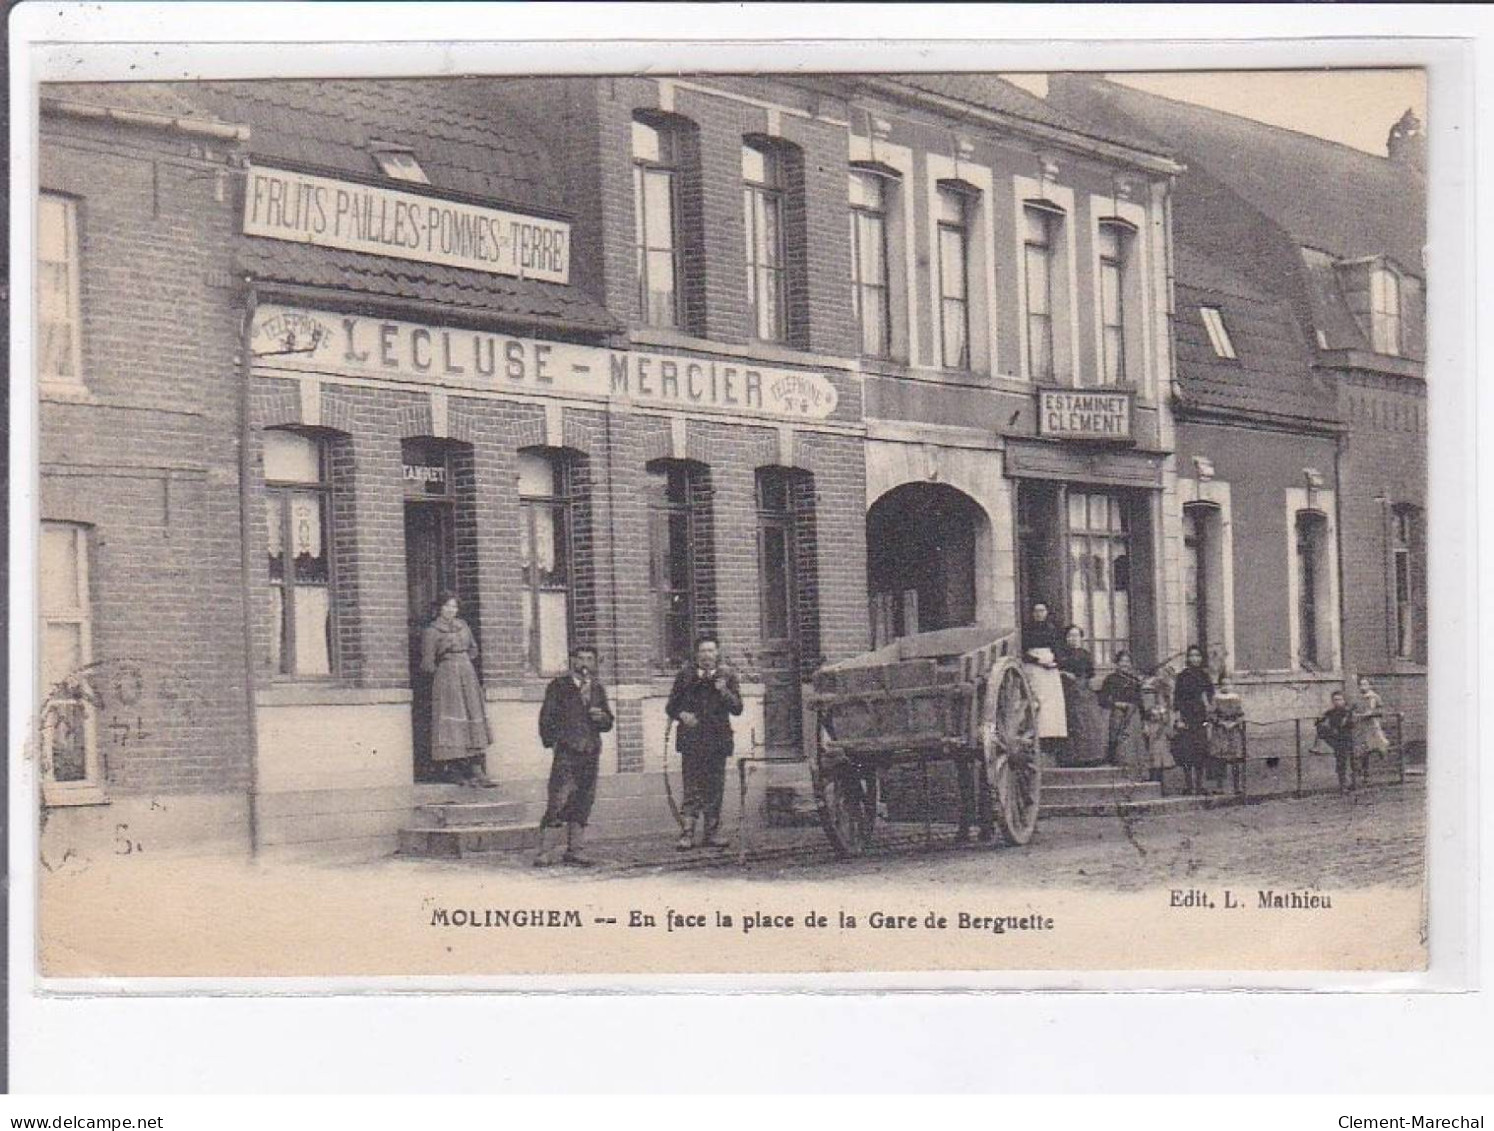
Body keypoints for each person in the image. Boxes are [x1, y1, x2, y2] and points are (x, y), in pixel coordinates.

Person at [534, 645, 614, 867]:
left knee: (583, 800)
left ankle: (575, 849)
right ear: (573, 662)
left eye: (590, 659)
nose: (585, 664)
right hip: (567, 752)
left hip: (590, 751)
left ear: (595, 663)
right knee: (558, 799)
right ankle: (545, 850)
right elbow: (546, 718)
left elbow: (608, 722)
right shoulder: (559, 687)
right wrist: (556, 742)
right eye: (581, 659)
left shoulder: (597, 689)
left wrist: (602, 719)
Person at [665, 635, 743, 850]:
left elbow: (737, 708)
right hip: (692, 740)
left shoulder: (727, 676)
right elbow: (670, 706)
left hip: (717, 740)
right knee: (691, 787)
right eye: (703, 651)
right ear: (696, 655)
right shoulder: (685, 676)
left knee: (715, 787)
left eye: (711, 651)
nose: (707, 656)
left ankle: (712, 833)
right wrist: (682, 715)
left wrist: (723, 691)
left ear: (717, 653)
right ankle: (687, 832)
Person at [420, 593, 494, 788]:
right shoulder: (432, 631)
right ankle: (453, 768)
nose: (451, 611)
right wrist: (445, 668)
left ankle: (476, 768)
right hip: (447, 676)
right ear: (439, 608)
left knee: (471, 713)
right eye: (447, 607)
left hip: (467, 673)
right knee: (453, 717)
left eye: (454, 607)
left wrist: (464, 662)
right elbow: (427, 662)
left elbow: (474, 649)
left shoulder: (464, 626)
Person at [1022, 602, 1068, 756]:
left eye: (1041, 610)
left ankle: (1051, 741)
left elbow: (1060, 650)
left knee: (1052, 705)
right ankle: (1036, 738)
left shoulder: (1053, 629)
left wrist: (1055, 662)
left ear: (1047, 612)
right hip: (1034, 669)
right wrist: (1038, 661)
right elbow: (1023, 652)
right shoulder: (1027, 630)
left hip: (1051, 669)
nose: (1038, 614)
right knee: (1037, 702)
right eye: (1036, 610)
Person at [1056, 624, 1103, 766]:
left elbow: (1091, 673)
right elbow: (1056, 670)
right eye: (1070, 636)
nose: (1073, 639)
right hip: (1066, 690)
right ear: (1066, 638)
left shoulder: (1085, 654)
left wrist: (1086, 683)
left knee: (1088, 722)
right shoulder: (1061, 654)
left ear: (1081, 638)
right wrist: (1063, 673)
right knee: (1072, 722)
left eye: (1076, 636)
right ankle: (1072, 758)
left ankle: (1090, 757)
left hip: (1084, 690)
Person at [1171, 645, 1214, 795]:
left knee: (1200, 751)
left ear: (1201, 658)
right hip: (1186, 717)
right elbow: (1177, 699)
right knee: (1186, 751)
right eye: (1192, 656)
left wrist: (1208, 717)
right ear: (1188, 658)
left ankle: (1199, 785)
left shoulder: (1204, 676)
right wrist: (1178, 719)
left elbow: (1209, 697)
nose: (1195, 659)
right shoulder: (1182, 676)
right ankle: (1189, 785)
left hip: (1200, 718)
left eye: (1198, 656)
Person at [1098, 649, 1145, 771]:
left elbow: (1139, 700)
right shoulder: (1110, 679)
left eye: (1127, 661)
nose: (1124, 664)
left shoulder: (1134, 681)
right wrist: (1117, 704)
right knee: (1116, 727)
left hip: (1132, 713)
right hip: (1115, 712)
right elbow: (1102, 699)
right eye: (1122, 661)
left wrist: (1144, 719)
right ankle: (1112, 758)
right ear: (1117, 663)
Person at [1210, 672, 1247, 795]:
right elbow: (1212, 714)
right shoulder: (1216, 698)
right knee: (1220, 759)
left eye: (1228, 684)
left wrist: (1235, 723)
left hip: (1233, 731)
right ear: (1220, 685)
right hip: (1220, 731)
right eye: (1223, 684)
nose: (1226, 687)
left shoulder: (1236, 698)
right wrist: (1221, 722)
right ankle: (1220, 786)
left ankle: (1237, 786)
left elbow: (1241, 714)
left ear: (1232, 685)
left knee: (1235, 759)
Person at [1316, 689, 1356, 792]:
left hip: (1349, 738)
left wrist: (1347, 720)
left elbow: (1353, 725)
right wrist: (1320, 722)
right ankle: (1342, 785)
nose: (1337, 702)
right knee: (1341, 762)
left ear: (1344, 700)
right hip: (1338, 740)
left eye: (1339, 699)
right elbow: (1319, 722)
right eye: (1335, 700)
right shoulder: (1330, 712)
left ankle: (1354, 782)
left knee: (1354, 761)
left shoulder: (1348, 712)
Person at [1353, 675, 1391, 784]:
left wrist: (1372, 713)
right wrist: (1356, 714)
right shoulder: (1358, 698)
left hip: (1372, 725)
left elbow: (1381, 710)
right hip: (1361, 726)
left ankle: (1381, 751)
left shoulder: (1374, 697)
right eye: (1360, 684)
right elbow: (1354, 709)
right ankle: (1365, 775)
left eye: (1365, 684)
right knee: (1363, 750)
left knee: (1378, 744)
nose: (1362, 687)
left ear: (1369, 685)